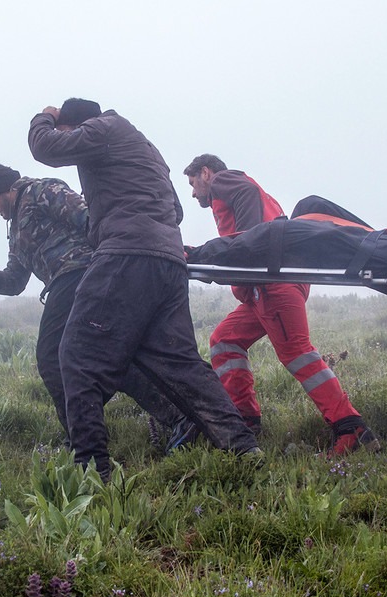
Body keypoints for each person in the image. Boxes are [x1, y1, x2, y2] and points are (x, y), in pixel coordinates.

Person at [27, 99, 259, 480]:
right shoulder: (146, 148)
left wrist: (46, 117)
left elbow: (45, 147)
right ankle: (243, 448)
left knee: (75, 355)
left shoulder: (103, 129)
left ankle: (91, 472)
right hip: (166, 260)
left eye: (70, 133)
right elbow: (177, 210)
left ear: (77, 124)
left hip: (125, 255)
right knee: (181, 364)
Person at [0, 164, 189, 450]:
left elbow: (89, 218)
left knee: (51, 357)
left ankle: (81, 437)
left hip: (82, 273)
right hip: (66, 281)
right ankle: (177, 417)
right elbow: (15, 281)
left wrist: (116, 261)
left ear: (3, 189)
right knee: (108, 358)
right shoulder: (15, 231)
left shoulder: (40, 190)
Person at [183, 154, 379, 455]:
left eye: (193, 183)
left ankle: (351, 428)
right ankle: (246, 420)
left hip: (273, 285)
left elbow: (248, 231)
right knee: (224, 340)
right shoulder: (240, 197)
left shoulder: (225, 181)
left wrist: (248, 242)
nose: (194, 192)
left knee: (297, 354)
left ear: (206, 173)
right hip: (267, 286)